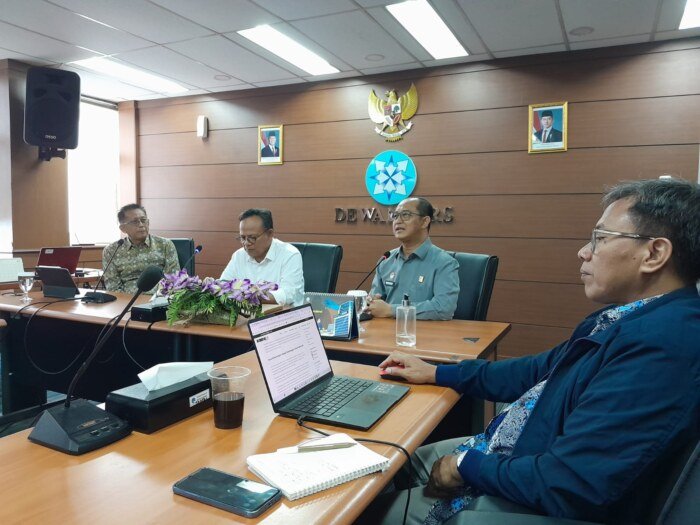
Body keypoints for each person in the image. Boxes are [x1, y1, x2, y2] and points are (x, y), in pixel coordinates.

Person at [362, 178, 700, 524]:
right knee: (394, 463)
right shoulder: (624, 318)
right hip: (521, 448)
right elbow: (537, 370)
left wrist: (465, 464)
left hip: (532, 492)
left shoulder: (663, 345)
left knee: (367, 509)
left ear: (654, 254)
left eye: (600, 238)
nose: (584, 251)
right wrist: (437, 372)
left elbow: (570, 483)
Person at [365, 197, 459, 320]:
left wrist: (392, 310)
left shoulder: (444, 263)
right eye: (395, 216)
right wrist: (372, 303)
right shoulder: (386, 260)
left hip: (424, 331)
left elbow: (444, 308)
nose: (398, 221)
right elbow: (375, 300)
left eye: (405, 215)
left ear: (424, 222)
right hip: (384, 329)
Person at [220, 208, 304, 306]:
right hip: (244, 314)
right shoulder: (239, 255)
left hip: (284, 314)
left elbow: (288, 294)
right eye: (242, 238)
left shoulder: (290, 255)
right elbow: (224, 284)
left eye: (252, 238)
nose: (246, 243)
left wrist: (252, 296)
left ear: (270, 234)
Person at [103, 204, 179, 294]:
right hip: (127, 300)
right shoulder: (111, 250)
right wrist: (127, 301)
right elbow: (113, 288)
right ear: (123, 228)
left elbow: (172, 280)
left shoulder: (165, 245)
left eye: (143, 220)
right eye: (135, 222)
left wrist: (156, 298)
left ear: (148, 223)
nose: (141, 225)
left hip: (159, 298)